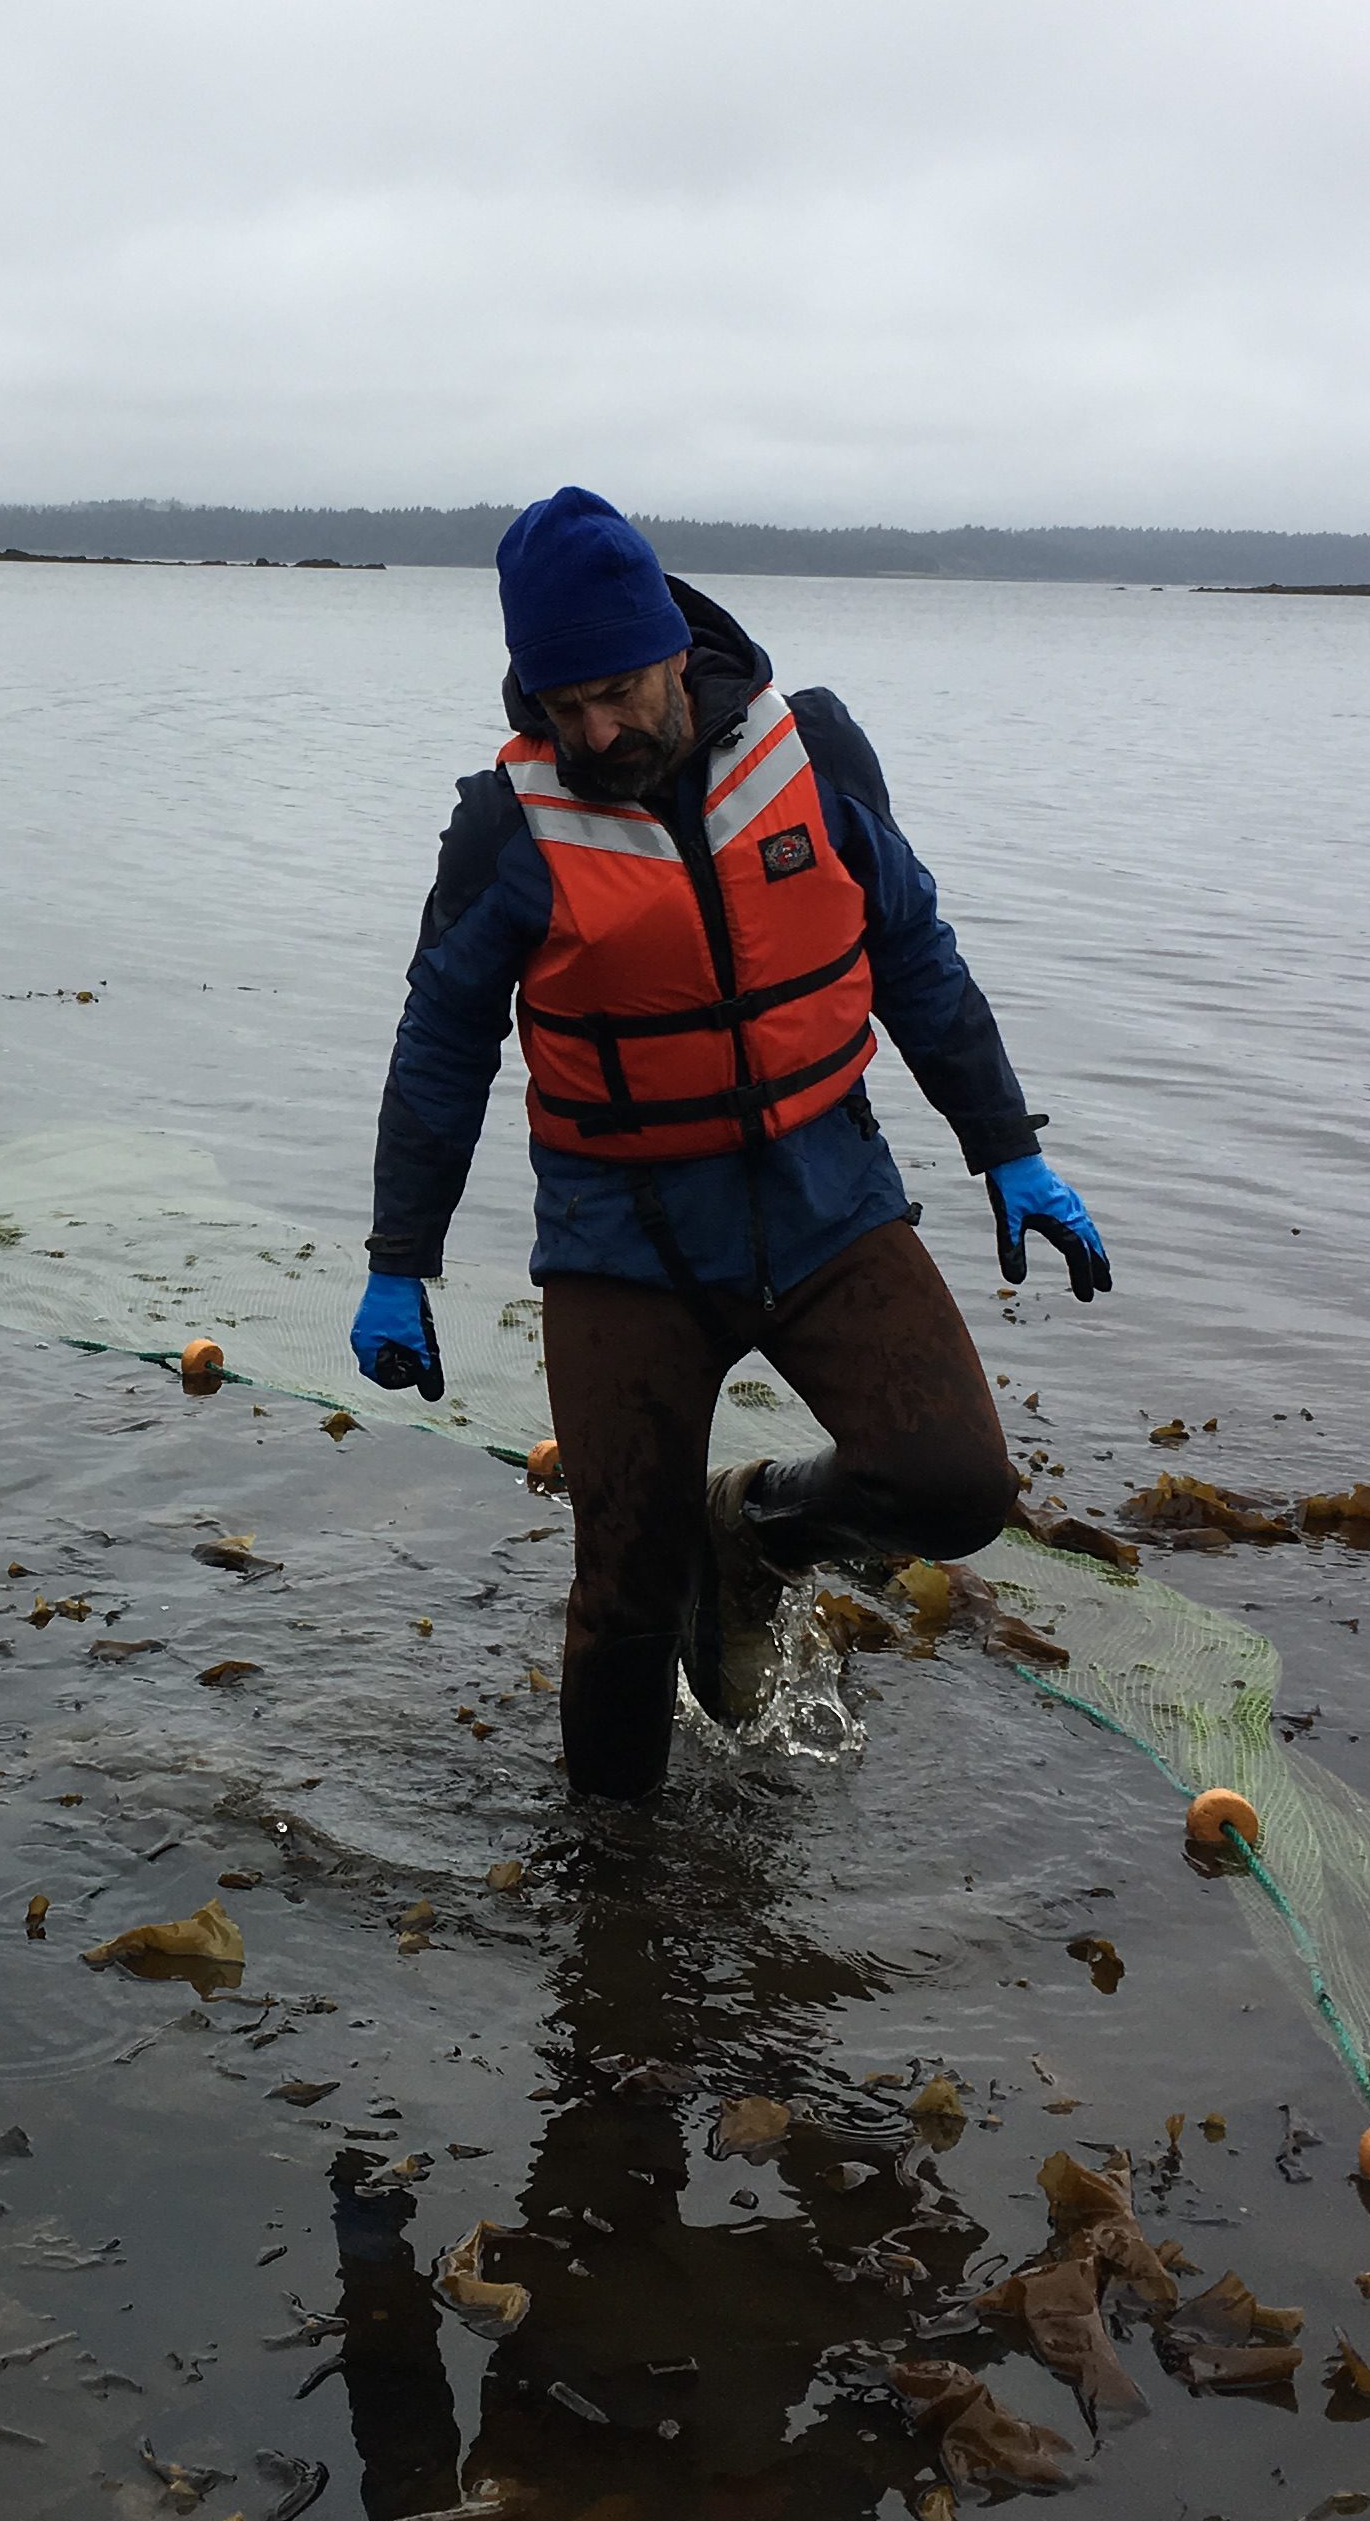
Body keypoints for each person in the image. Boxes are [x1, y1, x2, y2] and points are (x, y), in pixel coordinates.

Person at [349, 489, 1108, 1796]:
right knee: (624, 1598)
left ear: (670, 649)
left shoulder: (815, 751)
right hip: (620, 1240)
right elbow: (438, 1045)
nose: (594, 732)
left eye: (617, 693)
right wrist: (398, 1257)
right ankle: (613, 1900)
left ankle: (753, 1533)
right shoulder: (506, 828)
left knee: (957, 1485)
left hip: (826, 1200)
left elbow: (914, 955)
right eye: (560, 702)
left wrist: (1006, 1147)